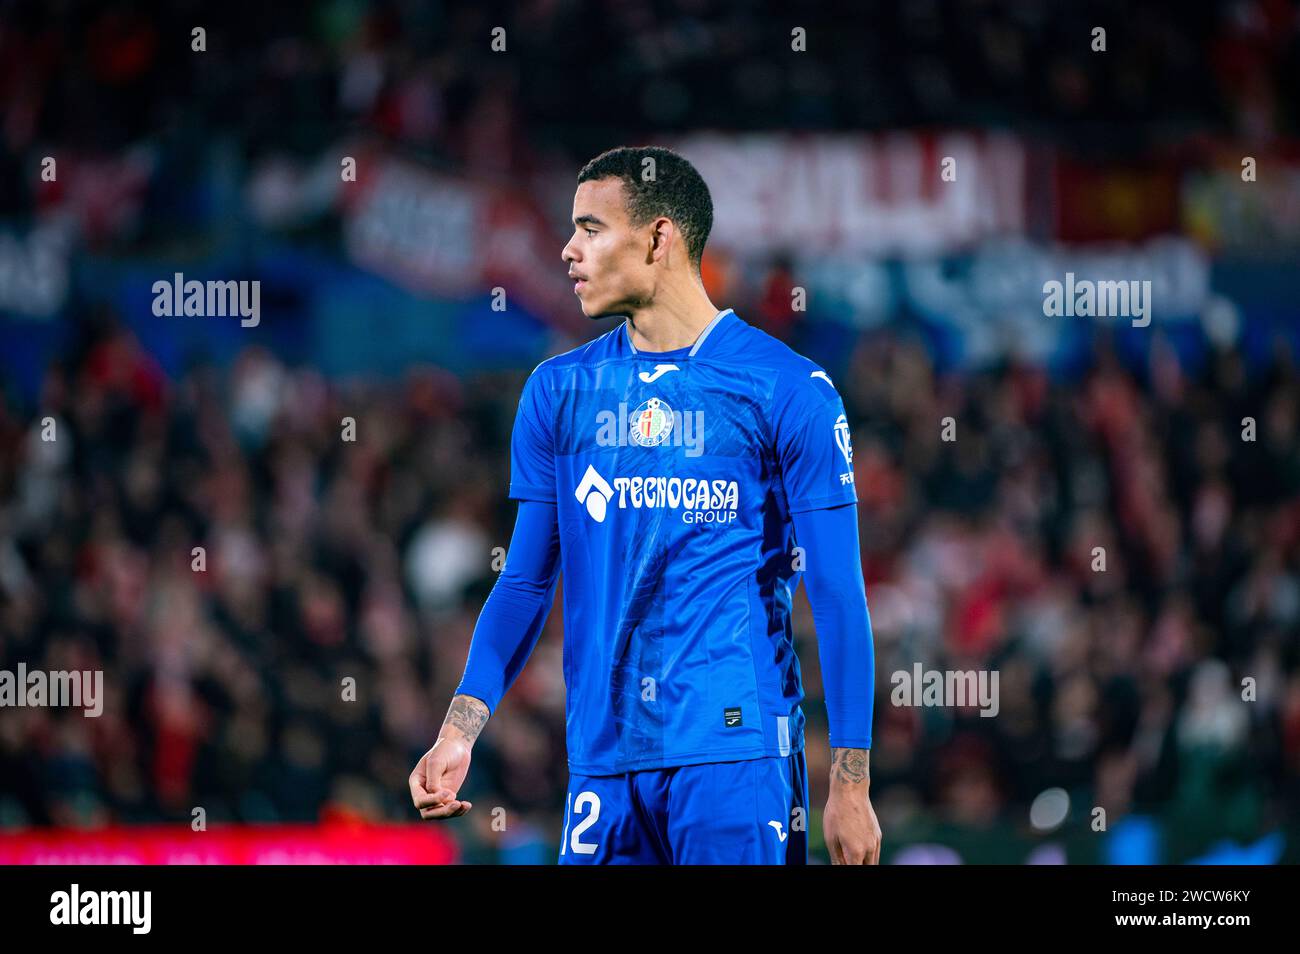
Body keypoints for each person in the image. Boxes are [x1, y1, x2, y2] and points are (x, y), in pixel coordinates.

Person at [409, 146, 880, 864]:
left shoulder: (788, 390)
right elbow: (527, 580)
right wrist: (458, 730)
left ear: (660, 237)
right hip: (603, 762)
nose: (567, 250)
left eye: (590, 228)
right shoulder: (558, 392)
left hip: (733, 756)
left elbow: (840, 593)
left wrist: (849, 783)